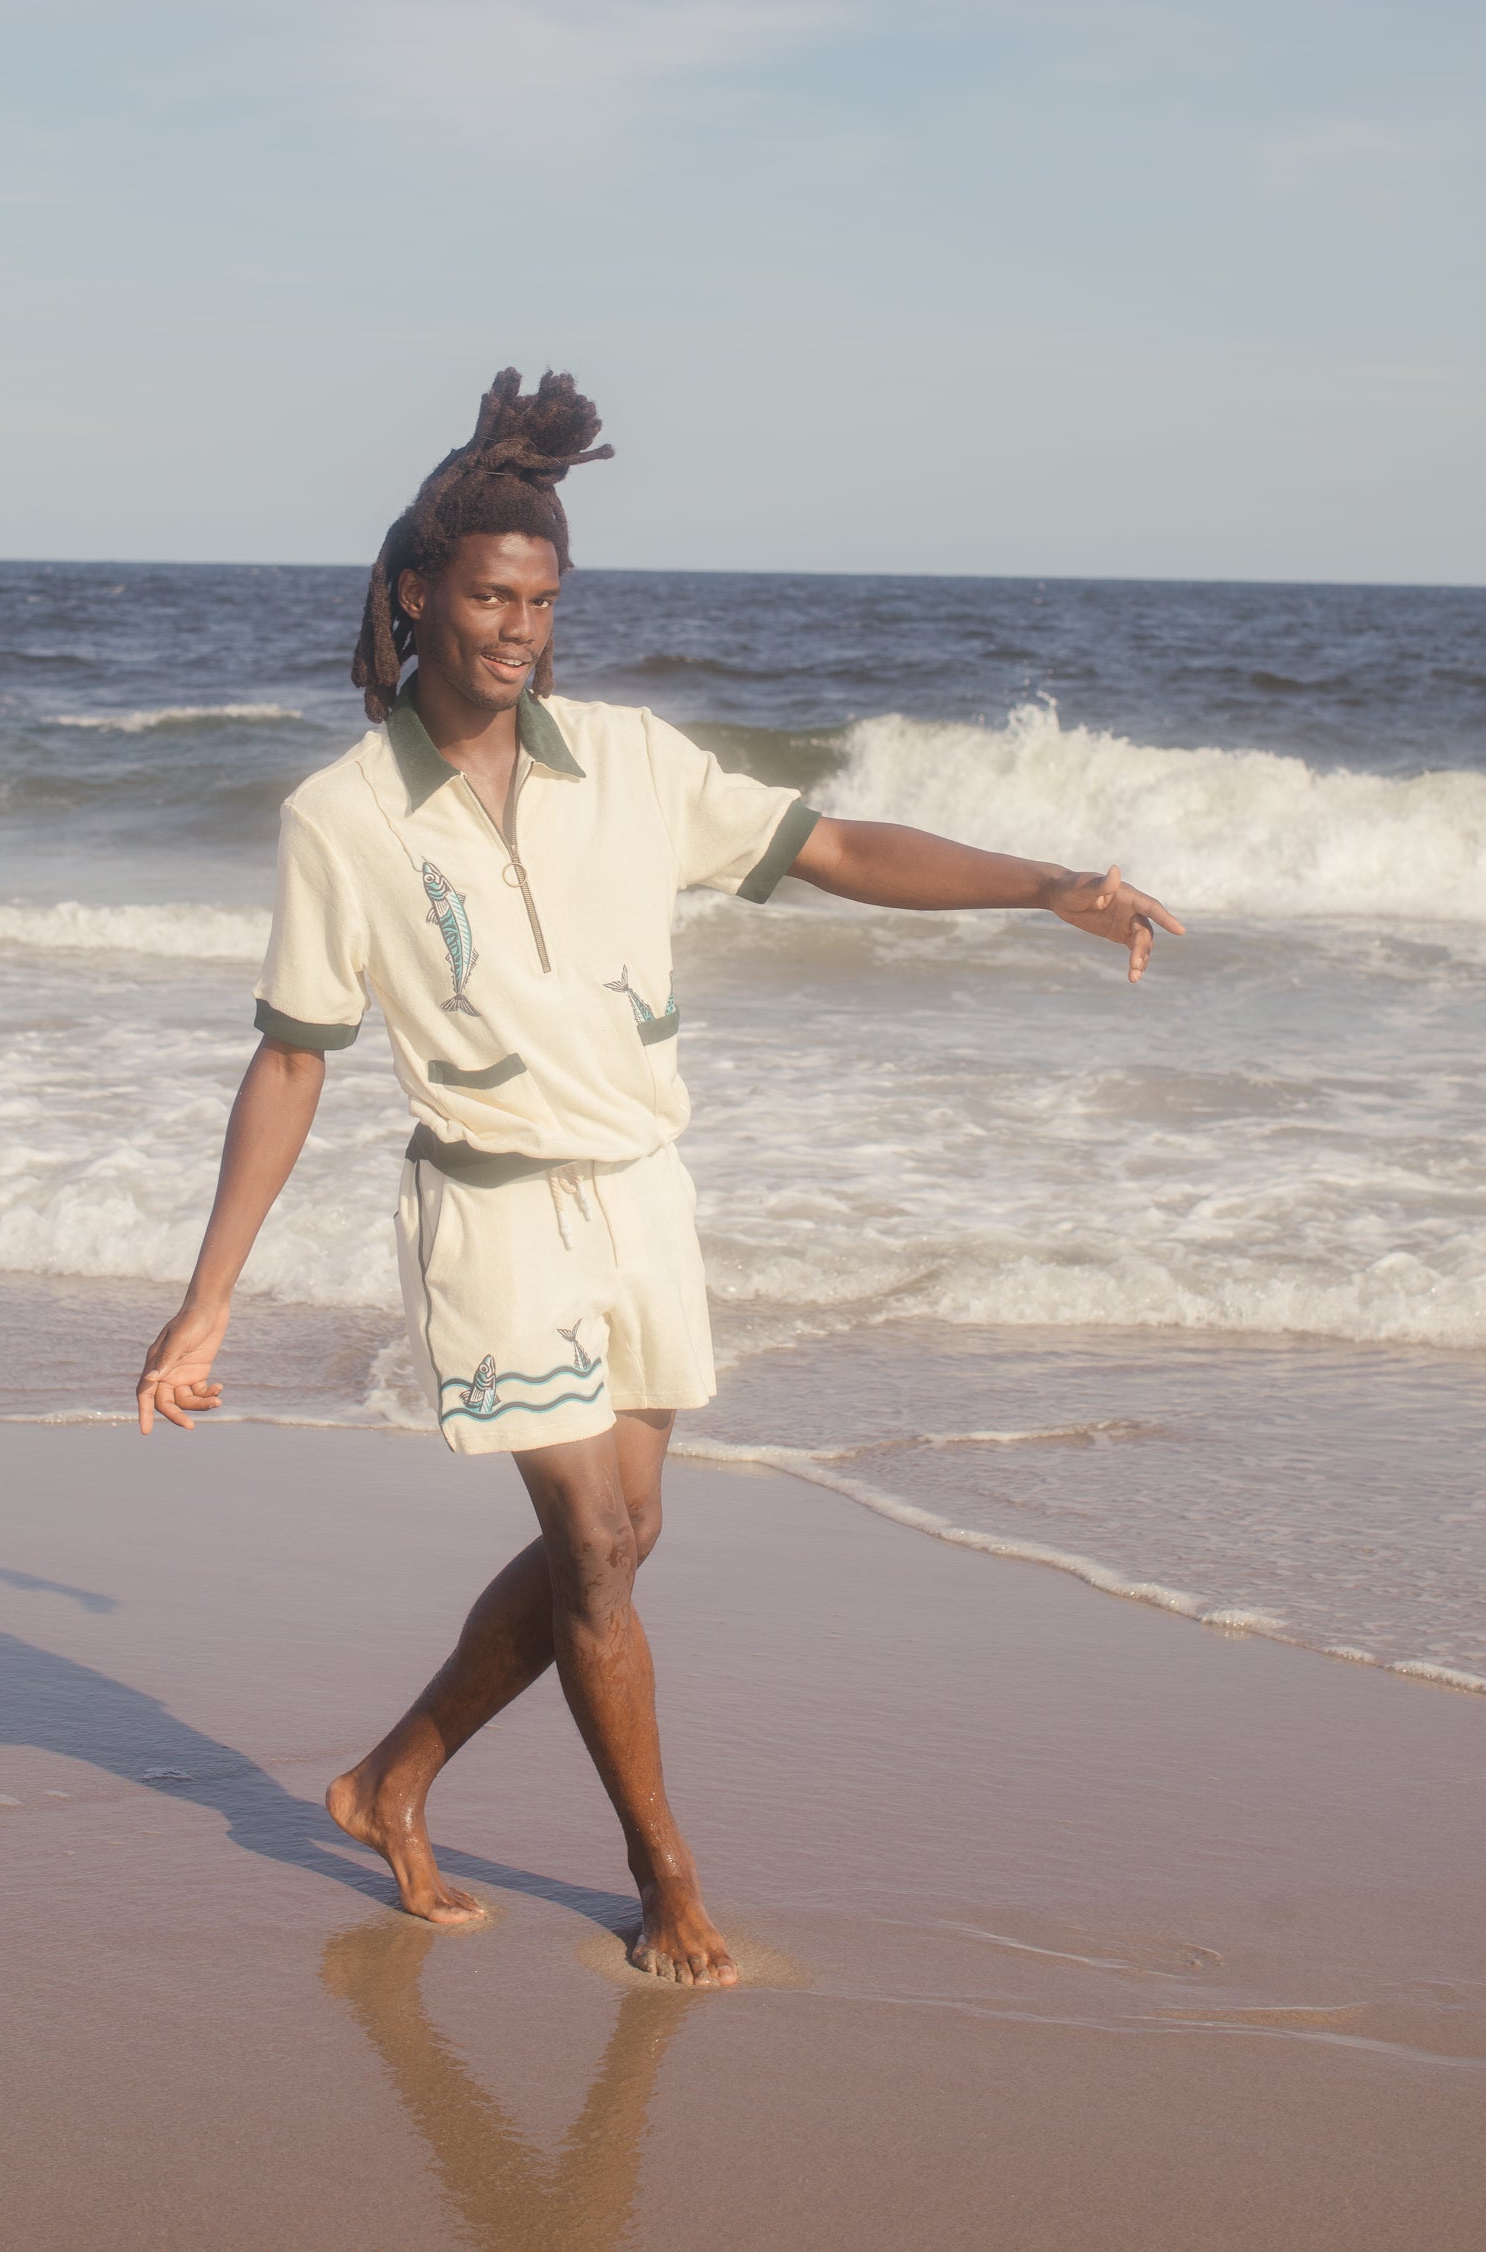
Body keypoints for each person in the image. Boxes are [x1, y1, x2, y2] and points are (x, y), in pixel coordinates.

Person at [135, 368, 1183, 1989]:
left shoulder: (629, 761)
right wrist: (202, 1310)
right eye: (487, 596)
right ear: (416, 593)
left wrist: (1045, 886)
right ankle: (666, 1881)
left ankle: (391, 1778)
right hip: (488, 1209)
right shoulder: (339, 819)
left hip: (640, 1193)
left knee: (617, 1538)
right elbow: (291, 1059)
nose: (516, 631)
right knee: (601, 1550)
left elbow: (834, 848)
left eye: (542, 601)